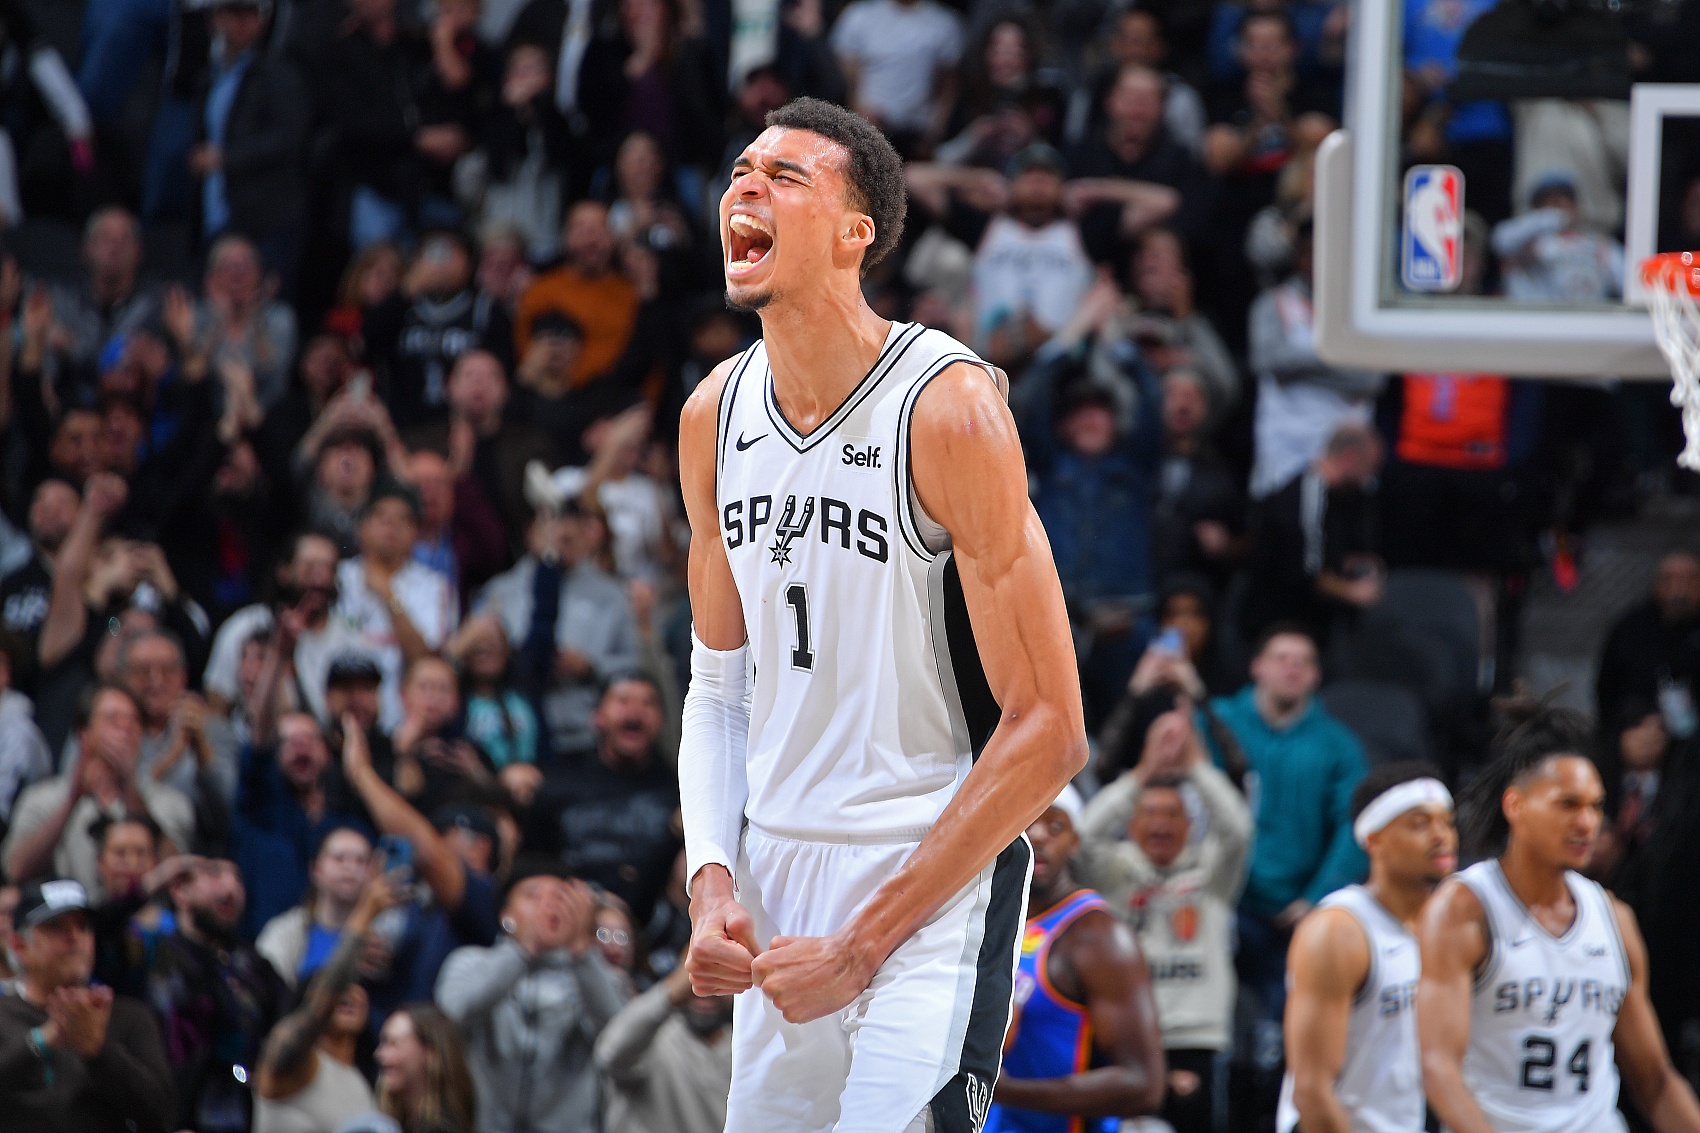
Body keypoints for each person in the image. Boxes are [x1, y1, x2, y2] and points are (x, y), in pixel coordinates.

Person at [680, 98, 1086, 1132]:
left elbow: (1050, 727)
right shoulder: (712, 416)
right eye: (741, 170)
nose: (746, 185)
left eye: (786, 175)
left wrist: (865, 942)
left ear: (856, 232)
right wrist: (710, 878)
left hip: (928, 869)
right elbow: (718, 690)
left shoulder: (946, 407)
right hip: (777, 877)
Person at [1419, 703, 1700, 1133]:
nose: (1587, 823)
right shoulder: (1463, 909)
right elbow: (1438, 1069)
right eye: (1568, 804)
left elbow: (1656, 1082)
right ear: (1515, 805)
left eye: (1595, 807)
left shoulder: (1615, 919)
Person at [1075, 698, 1251, 1133]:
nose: (1160, 824)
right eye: (1149, 813)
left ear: (1190, 826)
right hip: (1124, 1033)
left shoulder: (1212, 873)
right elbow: (1083, 836)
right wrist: (1140, 774)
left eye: (1172, 814)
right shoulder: (1115, 871)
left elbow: (1238, 830)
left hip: (1195, 1037)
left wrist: (1195, 767)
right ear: (1131, 823)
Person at [1205, 624, 1367, 1075]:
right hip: (1225, 901)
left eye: (1304, 662)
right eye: (1281, 658)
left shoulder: (1339, 746)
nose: (1292, 668)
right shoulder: (1215, 721)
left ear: (1317, 676)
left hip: (1298, 911)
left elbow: (1354, 827)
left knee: (1285, 1044)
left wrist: (1316, 900)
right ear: (1257, 666)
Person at [1276, 762, 1457, 1133]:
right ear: (1374, 841)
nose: (1441, 836)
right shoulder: (1338, 931)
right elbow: (1311, 1090)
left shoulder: (1448, 928)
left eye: (1447, 822)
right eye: (1420, 824)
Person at [984, 786, 1166, 1132]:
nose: (1039, 835)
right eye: (1027, 821)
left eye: (1056, 826)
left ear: (1075, 842)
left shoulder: (1100, 937)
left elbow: (1144, 1086)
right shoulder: (991, 916)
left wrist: (1003, 1090)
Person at [435, 863, 629, 1132]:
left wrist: (581, 950)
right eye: (533, 895)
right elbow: (450, 1017)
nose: (546, 907)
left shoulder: (595, 976)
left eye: (559, 897)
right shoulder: (470, 963)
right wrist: (525, 948)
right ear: (506, 915)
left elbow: (623, 1035)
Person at [0, 879, 176, 1133]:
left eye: (83, 926)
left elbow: (163, 1114)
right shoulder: (4, 1016)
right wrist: (41, 1041)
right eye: (56, 927)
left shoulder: (128, 1016)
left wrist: (99, 1050)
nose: (74, 937)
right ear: (19, 945)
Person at [3, 684, 194, 897]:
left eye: (133, 722)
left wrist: (131, 791)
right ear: (83, 733)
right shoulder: (43, 798)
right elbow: (16, 870)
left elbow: (177, 876)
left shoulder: (168, 802)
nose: (126, 730)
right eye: (114, 720)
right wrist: (72, 801)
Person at [522, 672, 679, 920]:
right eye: (623, 701)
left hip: (653, 919)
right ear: (597, 717)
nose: (635, 712)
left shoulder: (678, 791)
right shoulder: (561, 781)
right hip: (570, 912)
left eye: (647, 703)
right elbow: (533, 860)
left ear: (661, 721)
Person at [148, 856, 288, 1133]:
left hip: (248, 1111)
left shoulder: (252, 964)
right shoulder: (154, 954)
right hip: (174, 1113)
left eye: (237, 878)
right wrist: (152, 882)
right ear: (180, 891)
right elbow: (106, 932)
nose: (230, 887)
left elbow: (290, 1021)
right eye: (214, 874)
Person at [253, 875, 398, 1133]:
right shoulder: (287, 1064)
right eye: (340, 988)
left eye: (357, 986)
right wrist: (364, 914)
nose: (348, 994)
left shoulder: (361, 1082)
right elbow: (326, 996)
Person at [334, 483, 458, 730]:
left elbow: (425, 658)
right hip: (343, 715)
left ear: (416, 533)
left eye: (403, 520)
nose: (391, 526)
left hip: (405, 720)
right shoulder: (338, 578)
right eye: (381, 517)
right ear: (362, 527)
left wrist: (389, 596)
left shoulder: (434, 587)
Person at [595, 962, 736, 1133]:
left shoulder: (745, 1050)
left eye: (720, 977)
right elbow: (609, 1053)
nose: (706, 992)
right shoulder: (652, 1041)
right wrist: (673, 990)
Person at [1596, 550, 1700, 748]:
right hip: (1636, 733)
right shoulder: (1631, 629)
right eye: (1670, 580)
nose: (1679, 591)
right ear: (1657, 585)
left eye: (1689, 580)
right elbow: (1608, 690)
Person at [255, 825, 375, 989]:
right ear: (316, 869)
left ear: (372, 873)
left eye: (361, 861)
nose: (350, 867)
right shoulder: (284, 932)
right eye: (339, 858)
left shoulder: (384, 934)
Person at [374, 1004, 478, 1133]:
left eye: (394, 1044)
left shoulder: (445, 1128)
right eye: (383, 1044)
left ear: (430, 1053)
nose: (380, 1054)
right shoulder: (396, 1124)